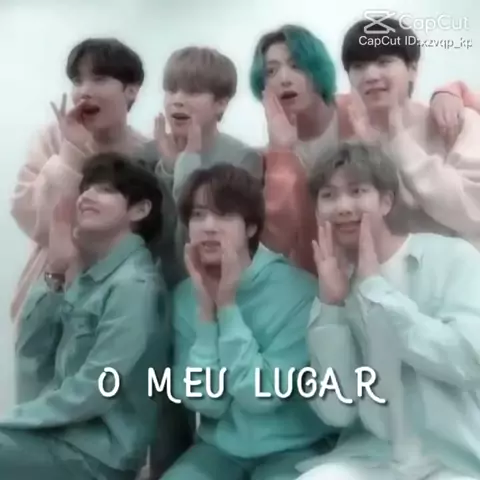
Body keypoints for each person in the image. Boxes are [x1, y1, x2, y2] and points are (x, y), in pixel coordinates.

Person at [296, 141, 480, 480]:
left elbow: (469, 362)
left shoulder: (454, 258)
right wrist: (331, 308)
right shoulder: (335, 283)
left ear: (386, 201)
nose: (343, 207)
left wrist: (375, 290)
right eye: (328, 196)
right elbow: (337, 411)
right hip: (373, 456)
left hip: (453, 459)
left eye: (357, 191)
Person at [249, 23, 480, 273]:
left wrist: (451, 92)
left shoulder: (366, 116)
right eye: (270, 71)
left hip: (451, 271)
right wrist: (281, 155)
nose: (284, 79)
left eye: (297, 66)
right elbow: (277, 241)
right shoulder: (266, 156)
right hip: (341, 278)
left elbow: (469, 209)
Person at [162, 164, 338, 480]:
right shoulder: (186, 295)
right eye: (199, 215)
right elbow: (204, 401)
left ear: (251, 228)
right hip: (219, 449)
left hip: (295, 447)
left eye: (225, 215)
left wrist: (227, 307)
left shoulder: (298, 292)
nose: (209, 227)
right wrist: (206, 315)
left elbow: (261, 394)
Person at [0, 152, 169, 480]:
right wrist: (55, 268)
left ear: (139, 209)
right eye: (86, 188)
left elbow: (97, 388)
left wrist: (12, 420)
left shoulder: (135, 286)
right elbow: (31, 355)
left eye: (105, 189)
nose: (87, 196)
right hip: (57, 441)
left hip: (97, 456)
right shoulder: (93, 278)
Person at [10, 37, 177, 325]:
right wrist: (72, 151)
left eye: (99, 79)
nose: (84, 91)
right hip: (53, 291)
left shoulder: (146, 153)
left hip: (119, 301)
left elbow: (158, 237)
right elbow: (33, 218)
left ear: (131, 90)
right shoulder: (53, 139)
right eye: (77, 81)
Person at [342, 17, 480, 248]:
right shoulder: (352, 147)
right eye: (358, 66)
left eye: (384, 62)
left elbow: (473, 212)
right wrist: (370, 153)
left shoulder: (459, 121)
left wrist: (400, 142)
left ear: (413, 69)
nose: (371, 75)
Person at [150, 46, 263, 201]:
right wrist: (167, 165)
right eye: (171, 91)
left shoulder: (242, 159)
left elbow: (197, 212)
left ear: (221, 104)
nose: (177, 101)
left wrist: (182, 163)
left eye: (192, 92)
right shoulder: (147, 153)